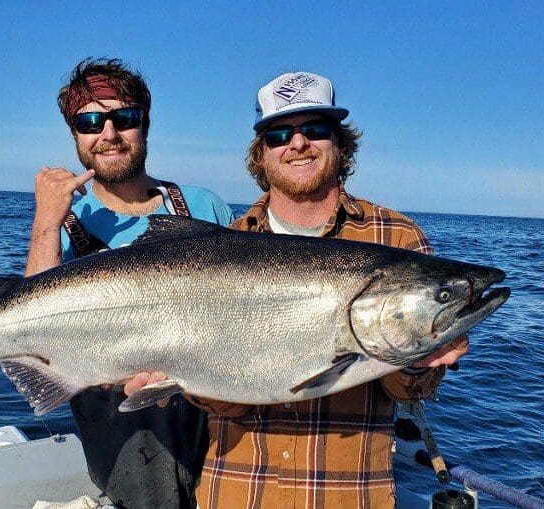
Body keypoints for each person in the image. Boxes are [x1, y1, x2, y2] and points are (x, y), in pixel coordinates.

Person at [126, 71, 468, 508]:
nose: (298, 143)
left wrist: (421, 364)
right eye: (280, 133)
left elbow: (409, 392)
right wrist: (171, 379)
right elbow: (218, 404)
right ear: (261, 152)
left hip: (348, 496)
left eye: (316, 130)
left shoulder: (396, 238)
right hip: (238, 493)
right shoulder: (221, 246)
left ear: (339, 143)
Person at [24, 57, 234, 509]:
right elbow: (31, 326)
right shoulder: (64, 220)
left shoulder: (202, 206)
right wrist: (46, 218)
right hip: (121, 429)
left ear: (145, 125)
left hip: (209, 409)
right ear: (76, 135)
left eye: (125, 117)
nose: (109, 133)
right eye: (90, 121)